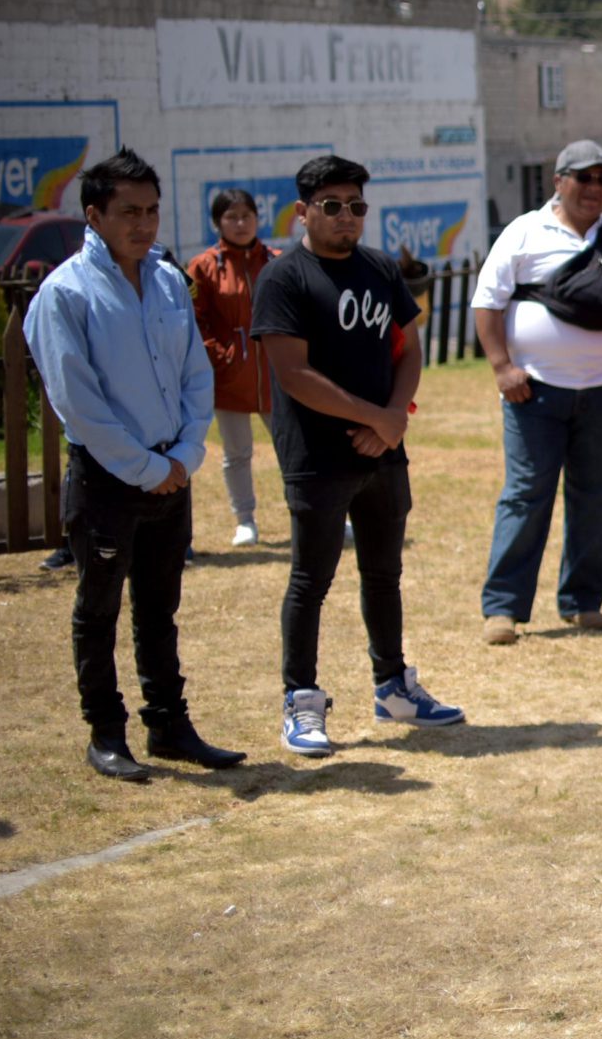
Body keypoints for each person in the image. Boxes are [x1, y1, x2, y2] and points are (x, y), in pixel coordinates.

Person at [24, 149, 244, 781]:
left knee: (159, 607)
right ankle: (106, 733)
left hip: (170, 473)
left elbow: (194, 376)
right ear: (94, 215)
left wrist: (182, 456)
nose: (144, 224)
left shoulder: (170, 280)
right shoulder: (65, 293)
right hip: (108, 482)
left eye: (151, 210)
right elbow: (79, 404)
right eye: (128, 212)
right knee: (98, 609)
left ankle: (169, 726)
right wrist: (148, 467)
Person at [250, 154, 466, 754]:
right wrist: (377, 417)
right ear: (303, 212)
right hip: (317, 457)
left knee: (384, 575)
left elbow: (409, 348)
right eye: (332, 206)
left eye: (357, 206)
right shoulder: (284, 279)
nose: (347, 217)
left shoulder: (378, 269)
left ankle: (393, 687)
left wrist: (394, 419)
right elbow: (293, 374)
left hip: (383, 454)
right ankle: (301, 702)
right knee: (310, 580)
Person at [470, 141, 602, 644]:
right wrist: (502, 366)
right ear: (559, 181)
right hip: (535, 393)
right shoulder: (524, 233)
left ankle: (582, 601)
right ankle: (503, 608)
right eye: (583, 177)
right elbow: (487, 302)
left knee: (596, 499)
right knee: (526, 496)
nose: (594, 188)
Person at [184, 186, 276, 549]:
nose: (240, 223)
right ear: (217, 223)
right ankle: (245, 520)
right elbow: (194, 319)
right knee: (237, 454)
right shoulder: (203, 267)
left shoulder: (276, 260)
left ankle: (313, 514)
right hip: (228, 379)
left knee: (296, 450)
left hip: (276, 377)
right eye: (232, 217)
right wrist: (219, 355)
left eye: (247, 216)